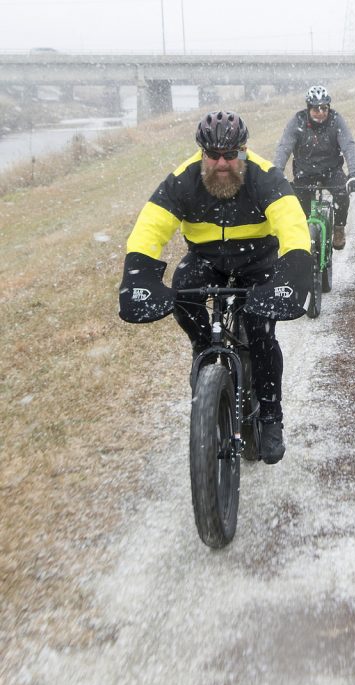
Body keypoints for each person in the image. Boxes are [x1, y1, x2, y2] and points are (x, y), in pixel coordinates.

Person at [118, 110, 312, 465]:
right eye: (213, 155)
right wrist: (139, 276)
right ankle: (203, 345)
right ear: (201, 154)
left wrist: (295, 271)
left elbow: (292, 222)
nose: (222, 163)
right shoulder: (184, 179)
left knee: (261, 332)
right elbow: (151, 226)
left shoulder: (264, 175)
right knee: (182, 290)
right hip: (206, 259)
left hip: (258, 260)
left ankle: (271, 417)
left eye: (231, 154)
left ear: (244, 151)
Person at [274, 85, 355, 251]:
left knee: (342, 194)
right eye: (316, 109)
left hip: (331, 170)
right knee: (300, 212)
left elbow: (348, 146)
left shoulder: (336, 120)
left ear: (329, 107)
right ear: (308, 109)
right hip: (304, 172)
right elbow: (284, 147)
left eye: (324, 108)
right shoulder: (297, 121)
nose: (320, 113)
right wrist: (276, 173)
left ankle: (338, 228)